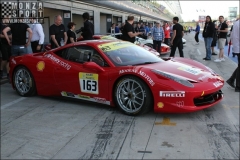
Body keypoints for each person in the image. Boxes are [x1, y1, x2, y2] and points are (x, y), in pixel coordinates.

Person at [226, 16, 239, 92]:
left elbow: (232, 36)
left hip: (237, 47)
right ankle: (238, 86)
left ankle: (231, 79)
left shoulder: (236, 24)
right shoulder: (238, 24)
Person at [0, 16, 11, 80]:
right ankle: (1, 71)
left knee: (8, 59)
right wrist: (8, 36)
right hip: (3, 44)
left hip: (9, 44)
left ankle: (8, 74)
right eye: (7, 17)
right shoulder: (1, 25)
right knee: (5, 58)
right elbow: (0, 35)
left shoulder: (10, 25)